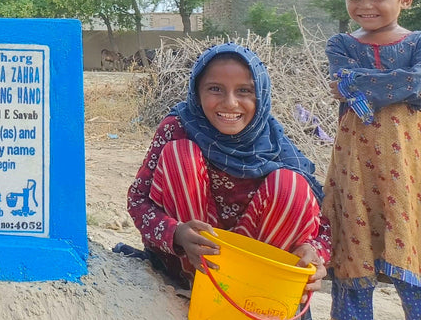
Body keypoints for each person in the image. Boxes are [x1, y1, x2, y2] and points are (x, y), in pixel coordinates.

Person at [126, 42, 328, 298]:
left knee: (291, 185)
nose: (230, 103)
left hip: (255, 280)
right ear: (197, 92)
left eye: (244, 91)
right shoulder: (178, 128)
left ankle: (252, 294)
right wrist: (175, 233)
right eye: (215, 89)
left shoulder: (277, 146)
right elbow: (138, 200)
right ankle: (197, 285)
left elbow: (326, 224)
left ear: (261, 96)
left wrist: (315, 253)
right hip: (191, 266)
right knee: (181, 155)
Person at [322, 0, 421, 320]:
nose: (365, 6)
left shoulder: (417, 44)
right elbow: (343, 81)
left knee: (409, 238)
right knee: (352, 236)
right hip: (354, 165)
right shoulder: (340, 44)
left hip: (408, 167)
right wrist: (394, 85)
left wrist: (362, 86)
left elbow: (417, 82)